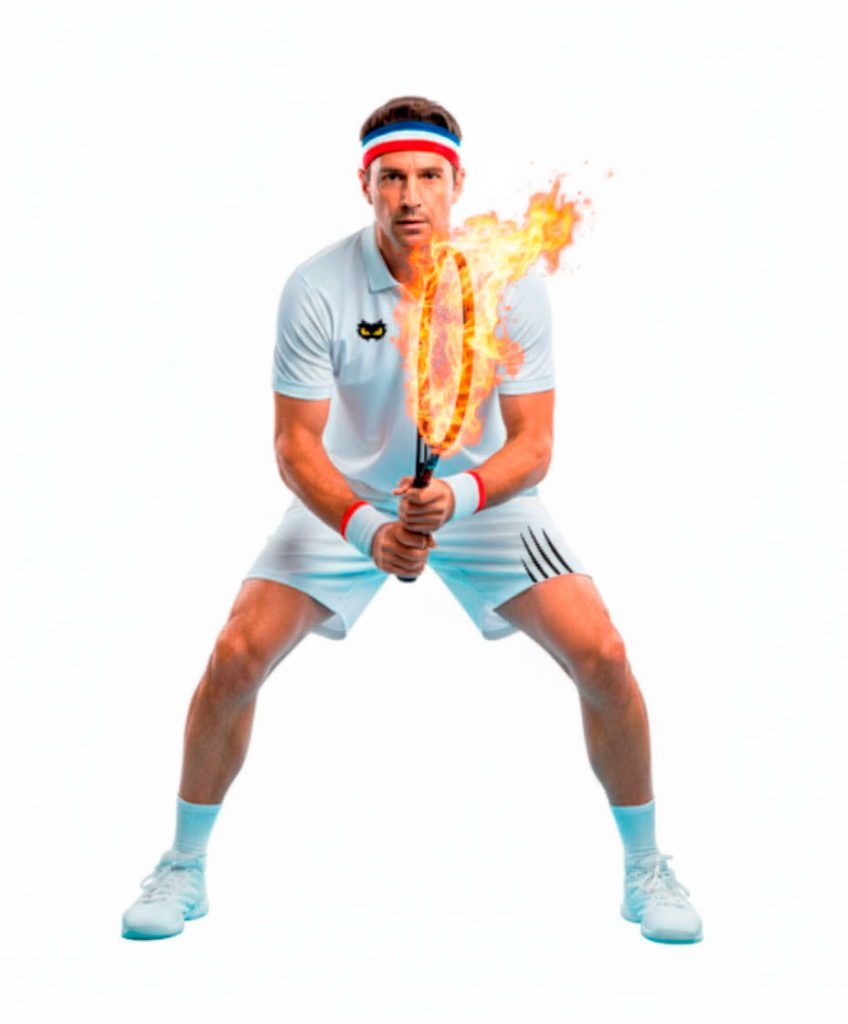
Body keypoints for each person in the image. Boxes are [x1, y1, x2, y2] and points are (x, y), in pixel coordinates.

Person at [121, 95, 703, 945]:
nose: (410, 196)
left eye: (429, 176)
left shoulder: (509, 281)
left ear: (456, 183)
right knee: (237, 653)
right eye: (391, 177)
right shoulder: (316, 287)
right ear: (365, 185)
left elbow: (535, 445)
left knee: (605, 655)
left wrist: (459, 497)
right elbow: (295, 447)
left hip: (483, 501)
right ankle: (183, 865)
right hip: (347, 502)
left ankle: (646, 869)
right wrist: (368, 527)